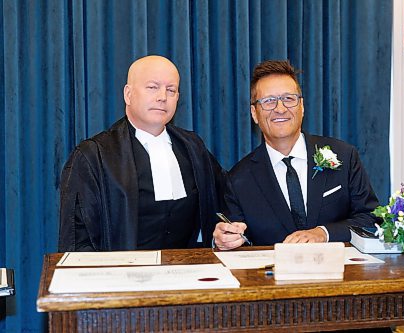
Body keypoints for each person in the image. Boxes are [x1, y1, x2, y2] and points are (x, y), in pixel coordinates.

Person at [59, 55, 225, 252]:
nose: (162, 96)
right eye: (153, 87)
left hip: (187, 274)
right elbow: (77, 241)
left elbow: (225, 203)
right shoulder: (93, 155)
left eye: (171, 90)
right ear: (128, 95)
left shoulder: (193, 148)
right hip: (120, 277)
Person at [213, 60, 380, 250]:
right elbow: (240, 239)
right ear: (254, 113)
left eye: (289, 99)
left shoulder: (344, 156)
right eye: (268, 101)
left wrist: (323, 233)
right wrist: (227, 239)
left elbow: (371, 219)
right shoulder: (238, 180)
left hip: (340, 274)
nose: (280, 108)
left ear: (302, 106)